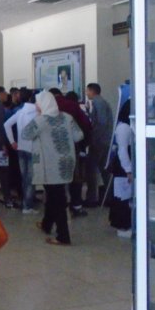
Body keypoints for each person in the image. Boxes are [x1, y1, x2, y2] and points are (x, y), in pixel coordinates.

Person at [23, 91, 83, 246]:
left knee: (57, 200)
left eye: (37, 103)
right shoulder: (67, 117)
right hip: (66, 163)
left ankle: (63, 236)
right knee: (53, 194)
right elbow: (79, 136)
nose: (36, 106)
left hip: (49, 166)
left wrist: (38, 118)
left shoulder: (41, 120)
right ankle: (46, 224)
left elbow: (25, 134)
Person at [51, 89, 92, 217]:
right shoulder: (72, 106)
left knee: (55, 179)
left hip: (51, 148)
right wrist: (84, 145)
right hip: (71, 146)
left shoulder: (46, 108)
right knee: (75, 177)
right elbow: (86, 124)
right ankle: (76, 205)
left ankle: (56, 206)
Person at [3, 88, 38, 214]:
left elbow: (6, 124)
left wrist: (12, 141)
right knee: (31, 179)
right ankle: (28, 206)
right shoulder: (37, 112)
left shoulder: (20, 112)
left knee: (24, 178)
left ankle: (25, 203)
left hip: (21, 148)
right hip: (33, 149)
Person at [85, 83, 114, 207]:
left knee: (91, 170)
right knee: (104, 170)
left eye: (87, 91)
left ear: (92, 91)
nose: (86, 93)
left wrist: (93, 137)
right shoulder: (102, 102)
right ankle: (108, 197)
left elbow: (101, 123)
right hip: (104, 141)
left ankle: (92, 198)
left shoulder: (98, 102)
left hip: (99, 142)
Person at [110, 100, 133, 237]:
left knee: (125, 196)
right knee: (122, 196)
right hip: (123, 167)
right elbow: (122, 150)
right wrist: (128, 170)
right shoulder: (124, 127)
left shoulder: (127, 126)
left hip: (125, 165)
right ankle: (122, 226)